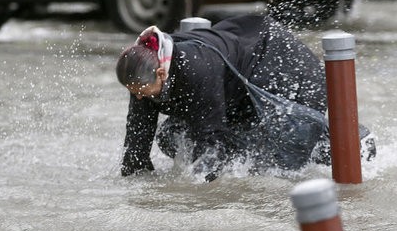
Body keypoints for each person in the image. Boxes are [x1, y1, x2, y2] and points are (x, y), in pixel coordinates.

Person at [116, 13, 350, 181]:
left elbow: (211, 143)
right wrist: (135, 183)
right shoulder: (140, 72)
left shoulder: (195, 70)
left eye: (140, 92)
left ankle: (353, 146)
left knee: (279, 160)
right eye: (133, 92)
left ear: (160, 73)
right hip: (233, 76)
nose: (137, 98)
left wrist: (200, 196)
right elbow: (138, 135)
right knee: (171, 136)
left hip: (277, 62)